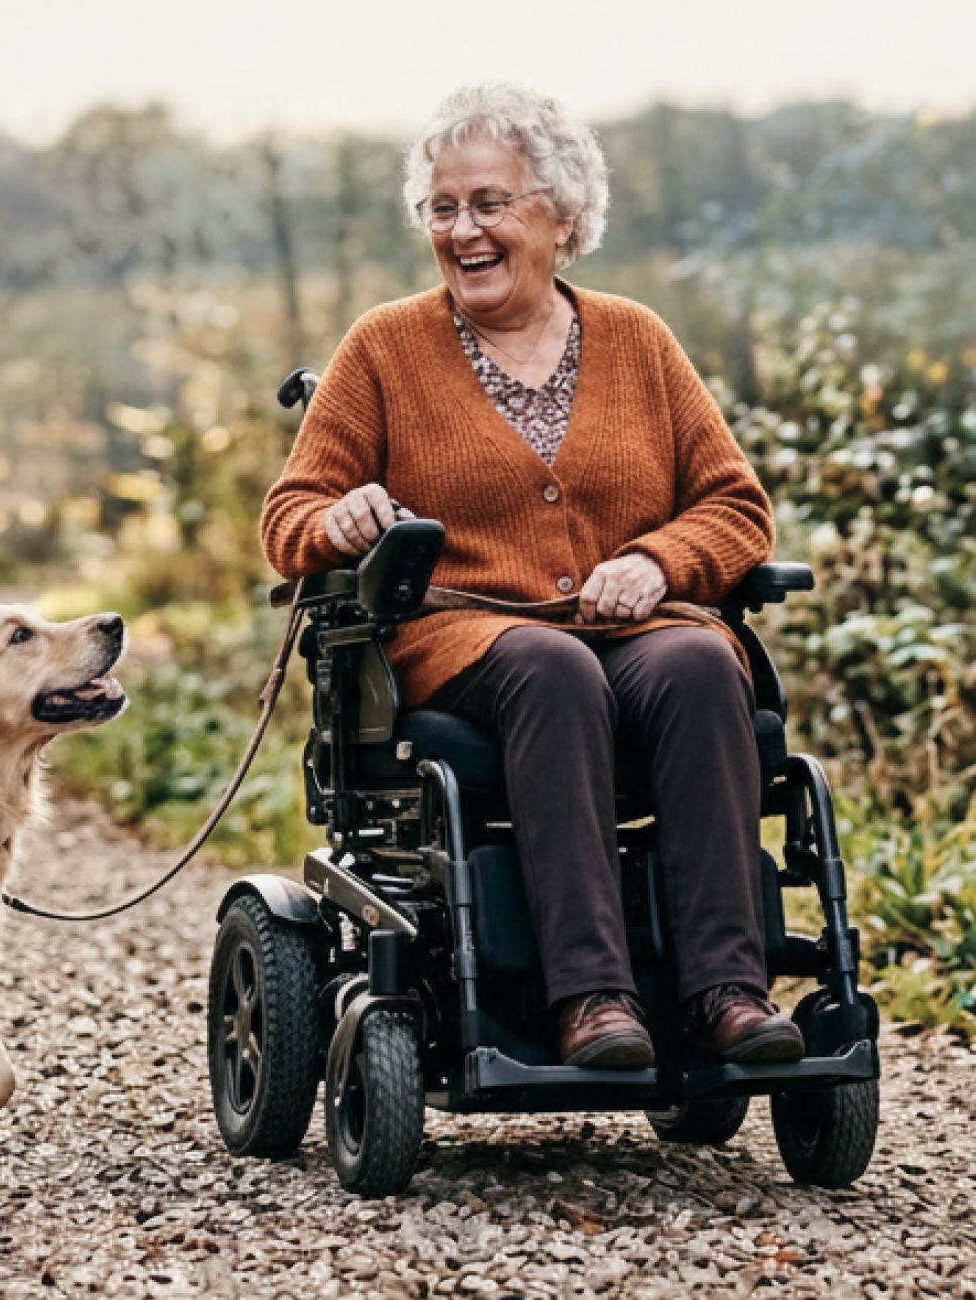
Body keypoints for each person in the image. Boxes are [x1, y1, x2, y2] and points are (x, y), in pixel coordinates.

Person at [260, 83, 805, 1068]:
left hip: (632, 627)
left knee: (698, 664)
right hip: (464, 639)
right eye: (443, 207)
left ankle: (728, 989)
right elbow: (287, 518)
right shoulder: (384, 347)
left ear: (560, 216)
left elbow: (736, 507)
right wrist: (335, 518)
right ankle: (591, 1000)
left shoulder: (639, 341)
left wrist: (656, 559)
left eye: (489, 203)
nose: (462, 229)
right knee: (552, 667)